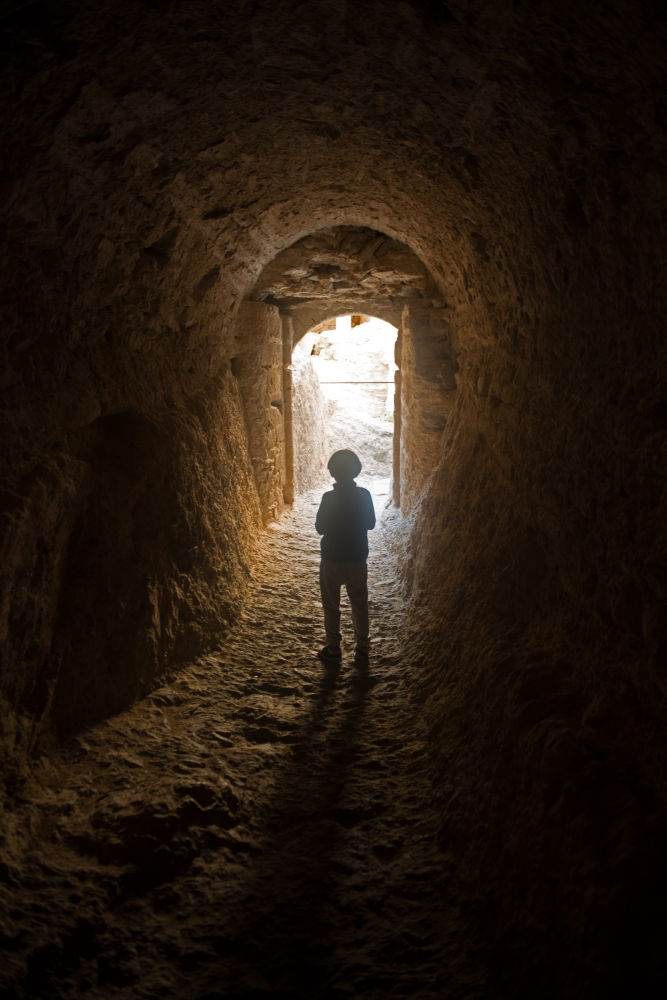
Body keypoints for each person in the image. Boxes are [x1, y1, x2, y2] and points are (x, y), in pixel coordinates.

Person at [315, 450, 376, 665]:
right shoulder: (365, 495)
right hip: (357, 556)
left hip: (332, 556)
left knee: (331, 604)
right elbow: (370, 524)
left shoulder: (328, 498)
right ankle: (362, 648)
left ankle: (333, 648)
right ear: (355, 470)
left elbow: (320, 527)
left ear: (332, 472)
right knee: (359, 603)